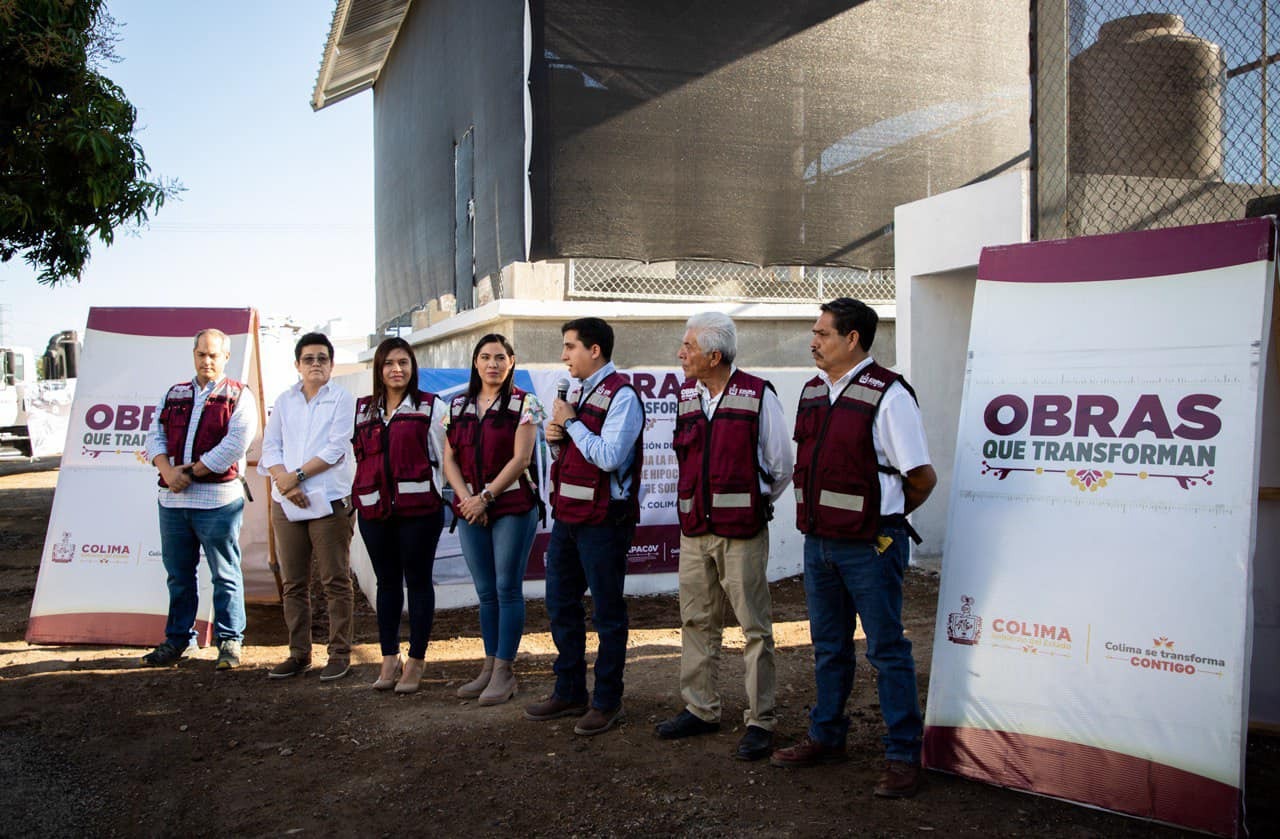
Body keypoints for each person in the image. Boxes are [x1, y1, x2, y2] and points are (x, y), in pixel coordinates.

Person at [769, 298, 937, 799]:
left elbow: (922, 477)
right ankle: (827, 736)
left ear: (853, 339)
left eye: (822, 333)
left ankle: (904, 755)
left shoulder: (889, 394)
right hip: (819, 543)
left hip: (871, 545)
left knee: (886, 650)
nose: (813, 342)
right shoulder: (814, 391)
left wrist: (884, 517)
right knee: (829, 647)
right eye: (814, 332)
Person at [655, 312, 793, 761]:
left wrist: (749, 503)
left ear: (714, 356)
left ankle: (760, 720)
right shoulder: (686, 397)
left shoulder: (758, 395)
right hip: (695, 531)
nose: (681, 354)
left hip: (741, 533)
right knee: (696, 621)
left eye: (689, 346)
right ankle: (700, 708)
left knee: (754, 628)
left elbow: (781, 467)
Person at [523, 317, 644, 736]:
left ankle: (607, 701)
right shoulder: (577, 392)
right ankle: (570, 690)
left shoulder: (622, 395)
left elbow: (609, 457)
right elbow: (574, 460)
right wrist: (557, 442)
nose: (563, 356)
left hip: (605, 522)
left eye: (570, 346)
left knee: (607, 613)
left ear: (595, 350)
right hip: (569, 517)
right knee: (560, 604)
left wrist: (572, 424)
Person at [141, 328, 259, 671]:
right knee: (178, 576)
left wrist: (188, 474)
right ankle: (179, 639)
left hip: (218, 502)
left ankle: (230, 641)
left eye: (213, 355)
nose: (207, 360)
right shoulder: (174, 393)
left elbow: (235, 444)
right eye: (201, 354)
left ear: (226, 357)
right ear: (193, 354)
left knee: (225, 574)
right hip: (173, 502)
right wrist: (167, 471)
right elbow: (154, 435)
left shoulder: (239, 395)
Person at [442, 334, 544, 706]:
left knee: (506, 587)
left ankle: (505, 671)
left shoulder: (525, 403)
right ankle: (488, 666)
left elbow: (521, 459)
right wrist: (467, 500)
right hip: (471, 508)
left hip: (512, 505)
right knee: (485, 591)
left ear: (511, 361)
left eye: (500, 357)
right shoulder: (457, 405)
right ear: (475, 362)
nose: (493, 364)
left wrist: (485, 497)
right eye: (485, 357)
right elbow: (449, 459)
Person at [258, 332, 357, 682]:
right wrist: (284, 481)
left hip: (327, 500)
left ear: (331, 364)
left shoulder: (343, 399)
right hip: (286, 502)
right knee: (294, 583)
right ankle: (299, 654)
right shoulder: (284, 401)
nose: (316, 364)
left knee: (335, 580)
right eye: (309, 359)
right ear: (297, 365)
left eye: (322, 358)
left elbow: (336, 449)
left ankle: (339, 653)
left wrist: (296, 477)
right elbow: (270, 446)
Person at [351, 337, 446, 694]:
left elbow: (445, 457)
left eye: (403, 363)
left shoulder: (431, 407)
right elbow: (355, 459)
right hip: (374, 511)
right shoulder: (363, 410)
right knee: (386, 583)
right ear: (379, 368)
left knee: (418, 582)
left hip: (419, 512)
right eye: (389, 363)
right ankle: (389, 657)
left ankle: (417, 660)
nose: (397, 369)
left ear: (412, 368)